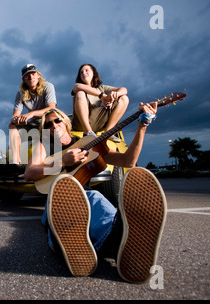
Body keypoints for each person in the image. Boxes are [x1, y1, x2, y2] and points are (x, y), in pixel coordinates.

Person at [24, 105, 167, 283]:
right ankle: (112, 245)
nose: (53, 126)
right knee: (90, 201)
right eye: (48, 125)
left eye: (57, 120)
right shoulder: (43, 145)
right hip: (56, 203)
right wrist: (62, 161)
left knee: (94, 199)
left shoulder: (87, 142)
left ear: (66, 122)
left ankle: (121, 245)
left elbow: (127, 161)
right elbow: (29, 174)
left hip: (86, 198)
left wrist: (142, 127)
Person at [9, 64, 57, 164]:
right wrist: (17, 119)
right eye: (27, 76)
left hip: (47, 121)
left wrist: (32, 113)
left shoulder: (48, 86)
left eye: (33, 74)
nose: (31, 77)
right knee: (12, 126)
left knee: (50, 119)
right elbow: (15, 115)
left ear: (38, 75)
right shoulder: (20, 93)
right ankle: (15, 163)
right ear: (24, 79)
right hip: (34, 124)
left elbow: (52, 108)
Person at [71, 64, 129, 141]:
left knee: (124, 98)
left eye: (86, 70)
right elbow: (77, 87)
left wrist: (116, 94)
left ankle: (108, 132)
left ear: (93, 73)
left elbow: (124, 90)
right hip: (80, 123)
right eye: (81, 72)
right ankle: (88, 132)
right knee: (80, 93)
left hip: (97, 121)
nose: (84, 73)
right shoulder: (78, 86)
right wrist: (103, 96)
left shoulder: (102, 88)